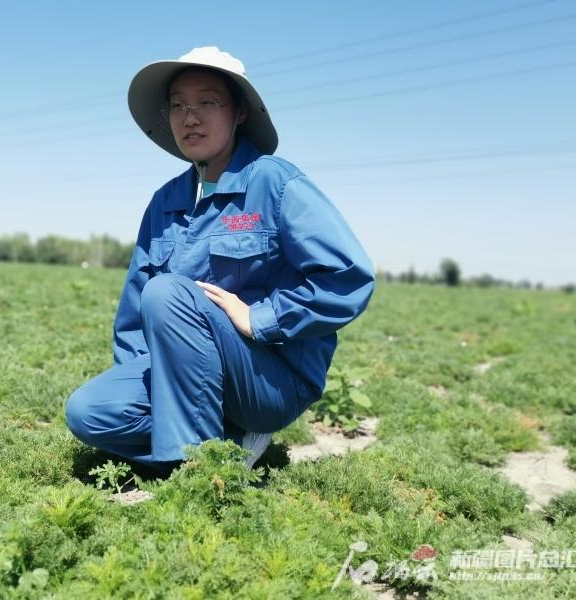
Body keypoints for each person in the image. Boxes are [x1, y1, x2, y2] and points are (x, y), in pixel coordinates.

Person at [65, 46, 375, 472]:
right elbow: (133, 315)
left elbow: (347, 277)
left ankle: (201, 475)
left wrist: (262, 318)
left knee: (167, 293)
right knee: (90, 412)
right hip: (187, 374)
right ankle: (229, 442)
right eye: (178, 106)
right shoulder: (165, 201)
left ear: (240, 112)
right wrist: (144, 381)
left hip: (268, 378)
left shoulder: (274, 182)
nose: (190, 118)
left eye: (208, 102)